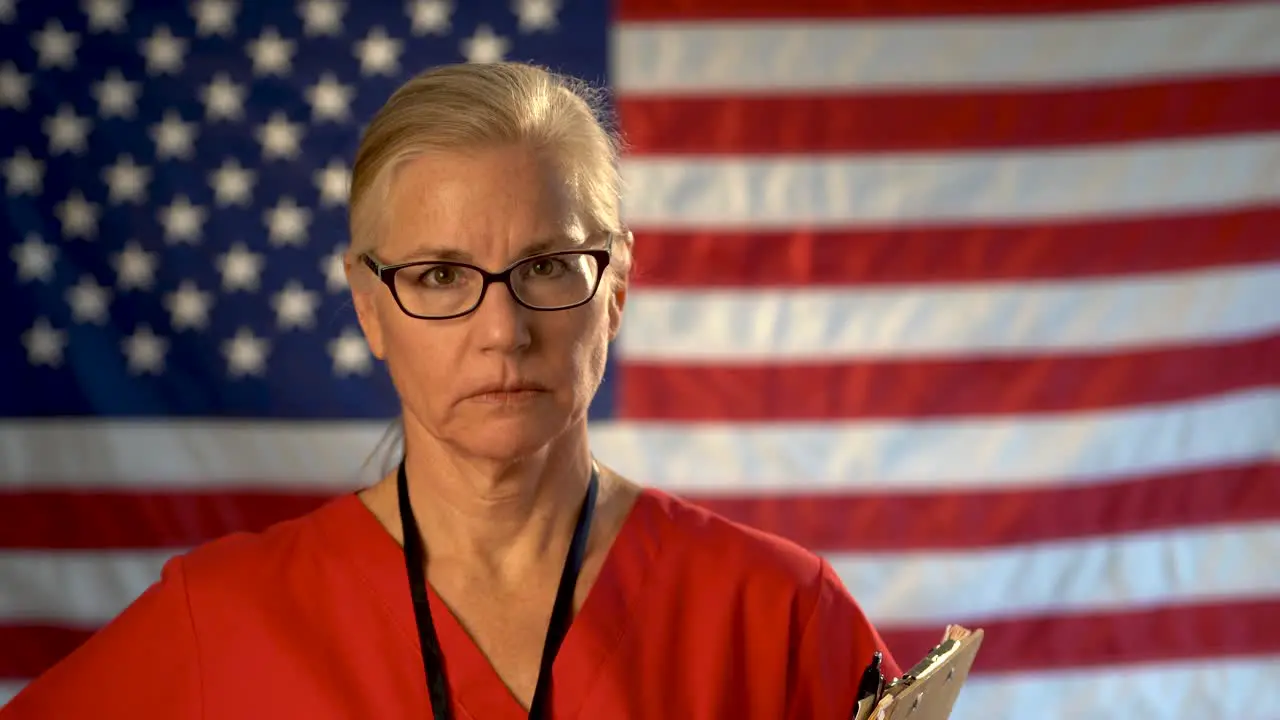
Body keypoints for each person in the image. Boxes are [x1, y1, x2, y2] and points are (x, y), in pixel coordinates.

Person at [1, 61, 899, 719]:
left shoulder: (778, 615)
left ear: (616, 289)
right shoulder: (223, 618)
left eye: (547, 266)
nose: (502, 330)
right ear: (368, 307)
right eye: (438, 276)